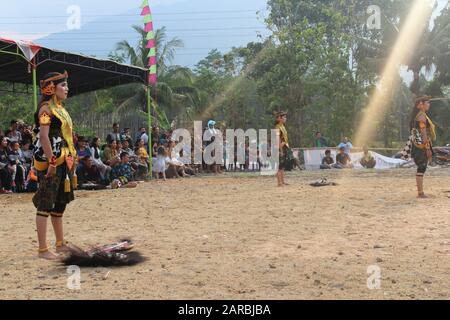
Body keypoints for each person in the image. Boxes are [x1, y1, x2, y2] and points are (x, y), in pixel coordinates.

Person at [32, 70, 76, 260]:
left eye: (66, 85)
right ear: (51, 88)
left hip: (63, 159)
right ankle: (43, 249)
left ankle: (60, 244)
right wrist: (51, 162)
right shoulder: (45, 109)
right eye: (63, 85)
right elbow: (43, 136)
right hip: (51, 162)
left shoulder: (60, 108)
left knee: (59, 204)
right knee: (45, 203)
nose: (67, 89)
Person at [409, 96, 436, 198]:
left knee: (421, 167)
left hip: (419, 144)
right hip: (421, 145)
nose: (429, 104)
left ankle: (420, 191)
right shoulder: (421, 117)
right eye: (427, 103)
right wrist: (428, 148)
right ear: (421, 105)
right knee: (422, 167)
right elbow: (424, 134)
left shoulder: (420, 115)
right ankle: (420, 193)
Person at [275, 111, 290, 187]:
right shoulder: (277, 127)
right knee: (279, 166)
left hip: (284, 146)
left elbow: (285, 139)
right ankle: (279, 183)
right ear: (279, 118)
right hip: (280, 147)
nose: (285, 118)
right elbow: (278, 140)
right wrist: (280, 150)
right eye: (283, 117)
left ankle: (282, 182)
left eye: (285, 117)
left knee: (282, 166)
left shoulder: (283, 126)